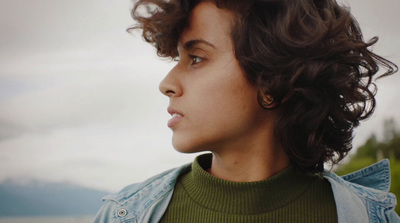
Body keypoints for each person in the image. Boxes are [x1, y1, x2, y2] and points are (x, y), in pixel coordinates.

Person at [95, 0, 399, 222]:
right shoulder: (123, 215)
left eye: (196, 58)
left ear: (273, 79)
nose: (167, 84)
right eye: (177, 59)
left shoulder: (370, 217)